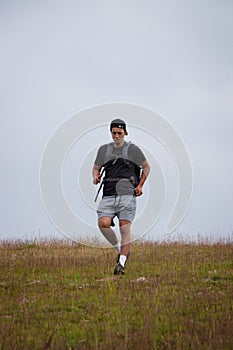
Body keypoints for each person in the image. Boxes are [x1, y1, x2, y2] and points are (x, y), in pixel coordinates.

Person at [92, 118, 150, 275]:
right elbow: (96, 167)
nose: (116, 136)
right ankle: (120, 249)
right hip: (109, 194)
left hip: (127, 195)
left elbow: (146, 167)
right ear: (111, 133)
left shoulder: (133, 149)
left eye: (119, 133)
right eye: (114, 133)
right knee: (103, 223)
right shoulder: (104, 150)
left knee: (124, 227)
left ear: (125, 132)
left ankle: (121, 264)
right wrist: (95, 176)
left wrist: (140, 186)